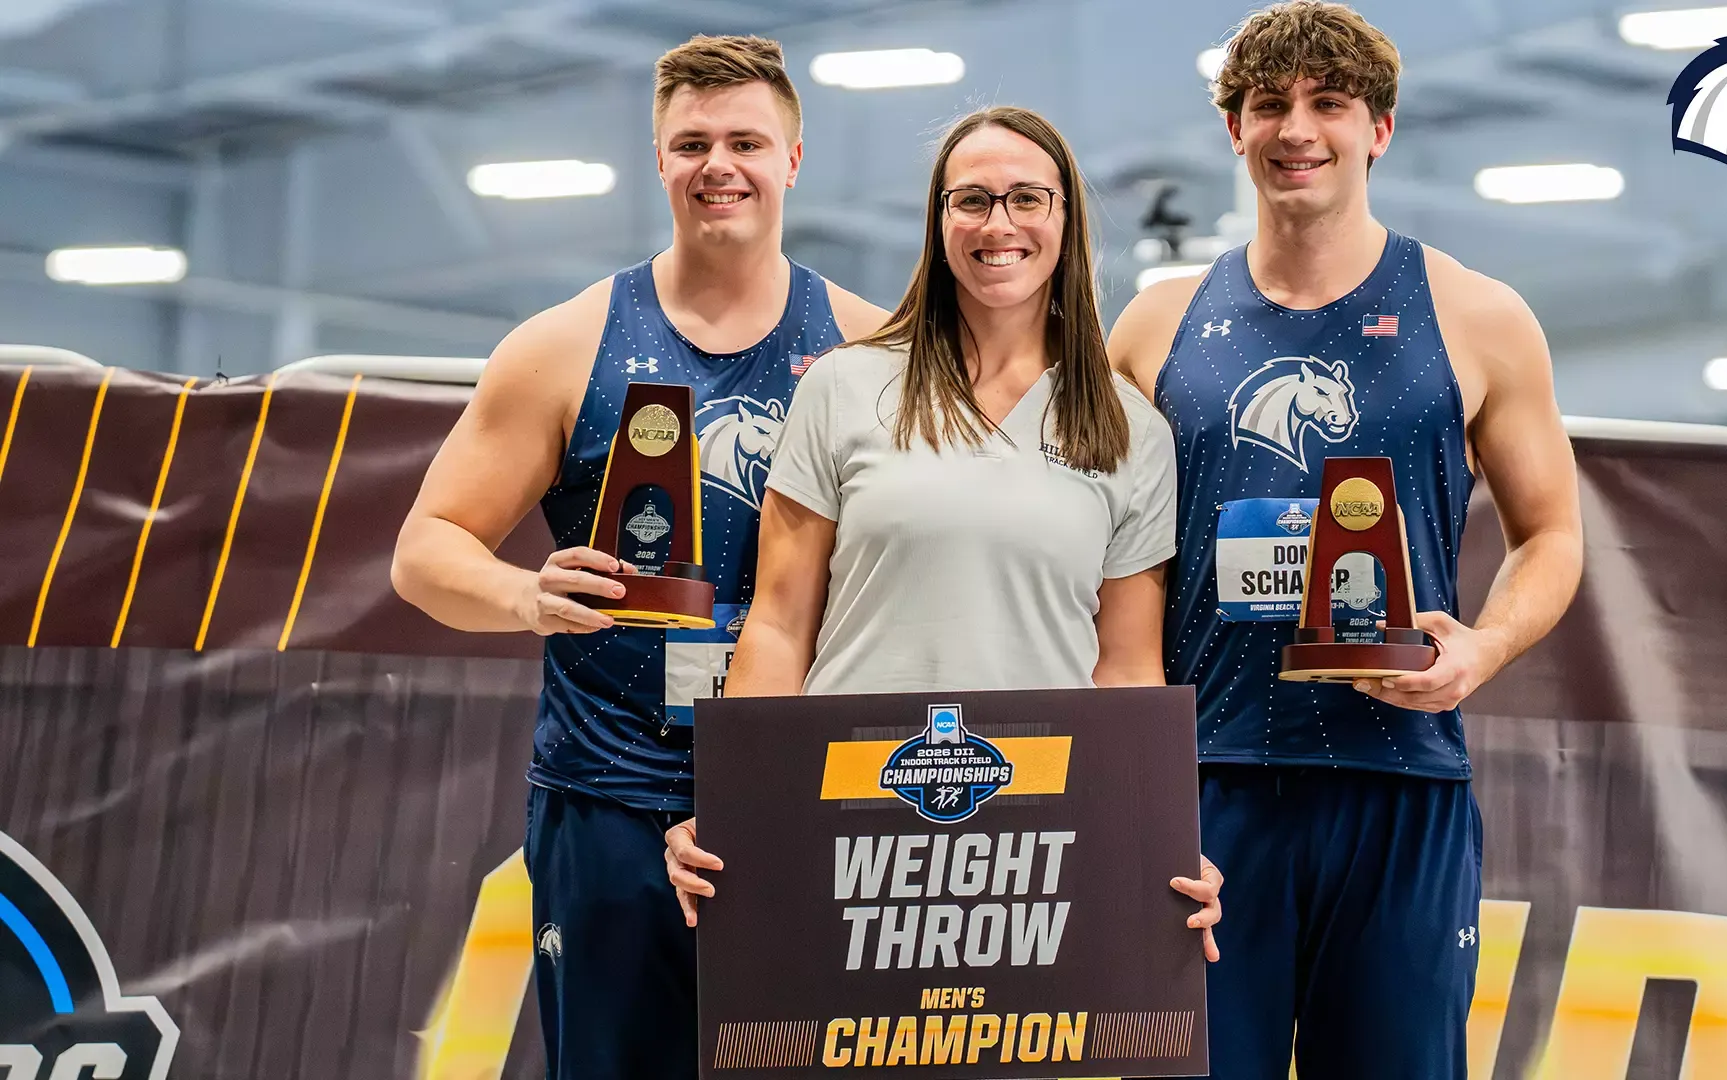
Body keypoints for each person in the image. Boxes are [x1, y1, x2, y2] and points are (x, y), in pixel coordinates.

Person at [389, 34, 887, 1080]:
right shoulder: (565, 345)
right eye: (691, 141)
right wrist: (525, 594)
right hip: (612, 793)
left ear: (794, 158)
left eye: (746, 140)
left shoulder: (867, 350)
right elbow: (426, 551)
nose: (720, 164)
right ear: (657, 159)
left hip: (806, 792)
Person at [1106, 3, 1584, 1078]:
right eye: (1268, 105)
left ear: (1381, 127)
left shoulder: (1476, 314)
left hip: (1398, 782)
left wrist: (1484, 646)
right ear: (1233, 129)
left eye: (1329, 103)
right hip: (1202, 784)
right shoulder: (1150, 327)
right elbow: (1092, 562)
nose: (1297, 129)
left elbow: (1550, 533)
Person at [660, 105, 1224, 956]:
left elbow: (1129, 669)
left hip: (1040, 839)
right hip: (845, 819)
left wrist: (1159, 843)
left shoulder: (1128, 430)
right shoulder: (845, 389)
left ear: (1066, 220)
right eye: (972, 201)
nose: (1000, 225)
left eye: (1027, 198)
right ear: (938, 222)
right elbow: (778, 625)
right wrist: (734, 801)